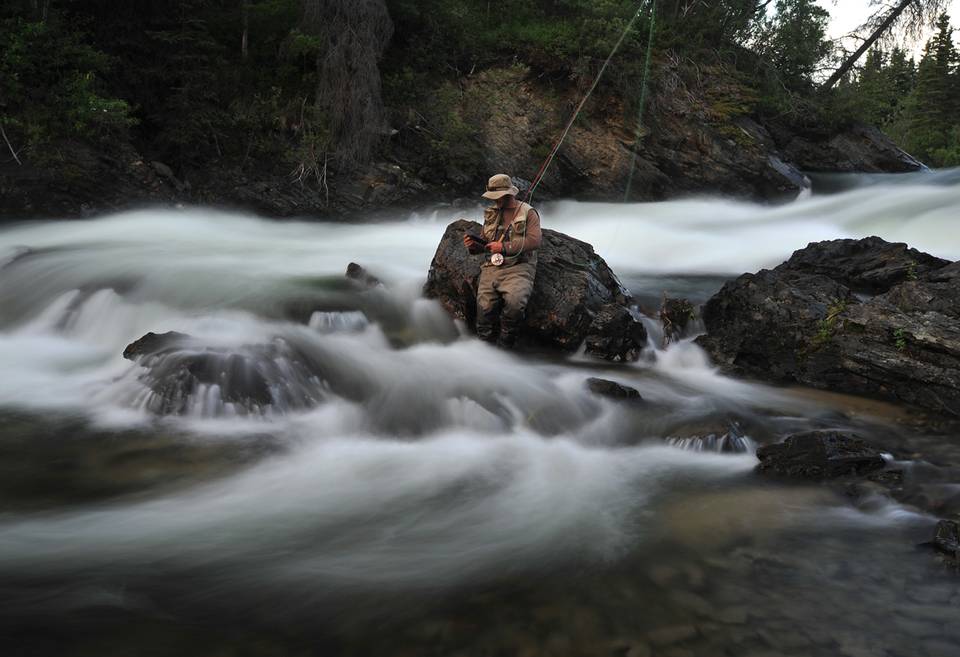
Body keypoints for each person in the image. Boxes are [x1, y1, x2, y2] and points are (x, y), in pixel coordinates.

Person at [462, 173, 542, 348]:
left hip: (519, 266)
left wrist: (504, 247)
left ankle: (506, 343)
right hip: (492, 265)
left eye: (498, 197)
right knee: (484, 307)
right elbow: (485, 244)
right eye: (493, 197)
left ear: (509, 194)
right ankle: (484, 347)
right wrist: (473, 246)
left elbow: (535, 241)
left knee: (515, 303)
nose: (495, 201)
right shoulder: (491, 213)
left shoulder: (528, 212)